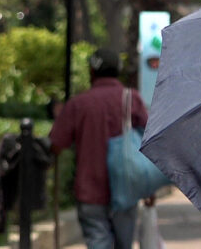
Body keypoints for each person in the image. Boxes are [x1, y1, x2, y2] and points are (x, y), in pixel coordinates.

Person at [49, 49, 151, 249]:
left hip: (90, 191)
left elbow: (56, 144)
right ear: (118, 71)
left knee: (98, 243)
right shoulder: (132, 99)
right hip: (127, 188)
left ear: (92, 71)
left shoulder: (79, 104)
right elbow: (151, 142)